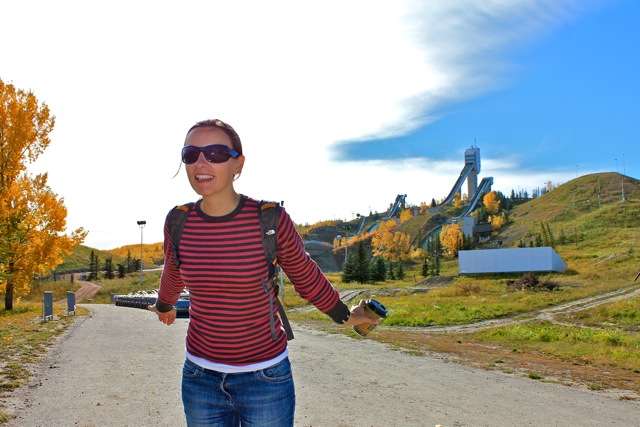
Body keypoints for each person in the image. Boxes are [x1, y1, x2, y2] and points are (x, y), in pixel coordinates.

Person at [149, 119, 378, 427]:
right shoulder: (178, 221)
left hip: (265, 379)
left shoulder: (270, 220)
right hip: (199, 378)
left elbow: (306, 277)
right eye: (190, 154)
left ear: (238, 164)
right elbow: (174, 271)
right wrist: (164, 305)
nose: (201, 162)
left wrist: (346, 316)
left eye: (215, 153)